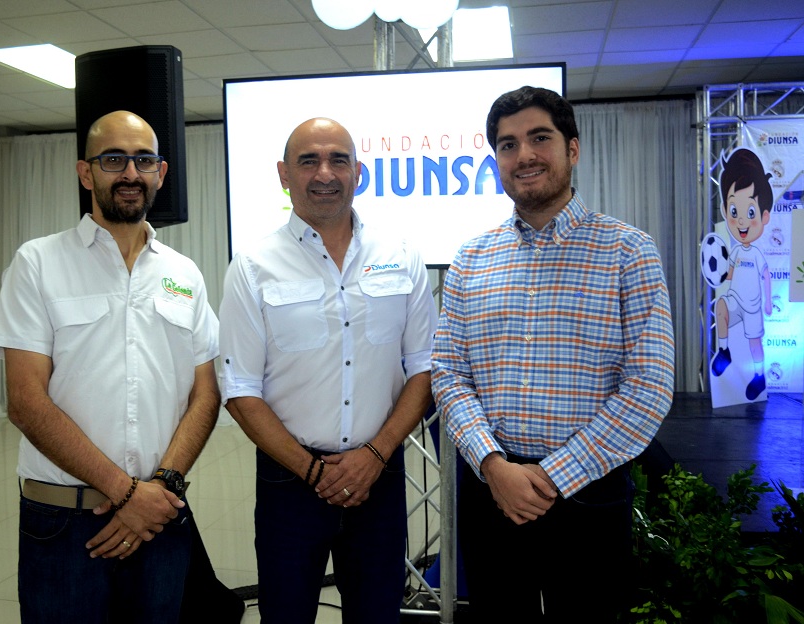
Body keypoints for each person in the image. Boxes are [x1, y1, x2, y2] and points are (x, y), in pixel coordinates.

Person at [431, 87, 675, 622]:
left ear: (573, 148)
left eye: (539, 138)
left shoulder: (628, 252)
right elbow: (448, 373)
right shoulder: (471, 260)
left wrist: (550, 479)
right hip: (491, 491)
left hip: (589, 494)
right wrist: (496, 466)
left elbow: (648, 389)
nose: (524, 156)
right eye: (507, 144)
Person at [0, 110, 221, 623]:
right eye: (114, 159)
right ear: (86, 173)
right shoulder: (37, 263)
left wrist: (158, 490)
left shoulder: (185, 274)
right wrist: (125, 492)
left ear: (161, 173)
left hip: (161, 517)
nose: (130, 173)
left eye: (143, 160)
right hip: (66, 524)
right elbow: (25, 402)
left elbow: (205, 394)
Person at [218, 117, 438, 624]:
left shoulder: (402, 256)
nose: (325, 173)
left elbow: (423, 369)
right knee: (286, 614)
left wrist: (374, 456)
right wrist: (311, 470)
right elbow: (241, 389)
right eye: (308, 160)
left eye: (339, 159)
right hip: (289, 483)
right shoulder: (252, 266)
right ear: (283, 174)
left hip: (377, 477)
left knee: (378, 614)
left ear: (357, 171)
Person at [710, 147, 773, 401]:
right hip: (736, 299)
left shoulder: (757, 254)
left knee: (754, 343)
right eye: (735, 212)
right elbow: (730, 274)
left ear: (764, 216)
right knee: (721, 306)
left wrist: (768, 302)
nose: (742, 222)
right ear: (726, 211)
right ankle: (724, 351)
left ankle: (759, 376)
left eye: (750, 213)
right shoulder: (734, 252)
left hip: (753, 307)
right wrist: (718, 277)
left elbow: (766, 276)